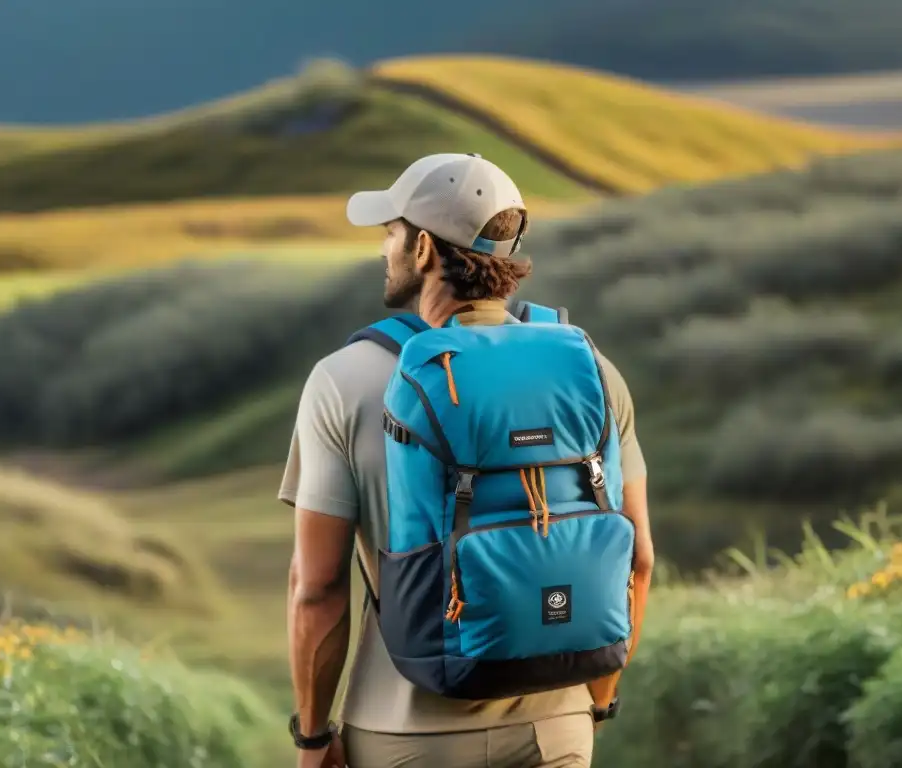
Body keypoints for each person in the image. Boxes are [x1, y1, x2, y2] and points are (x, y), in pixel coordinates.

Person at [280, 153, 655, 768]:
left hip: (404, 731)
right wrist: (597, 702)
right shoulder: (590, 371)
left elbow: (317, 589)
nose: (385, 247)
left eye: (392, 231)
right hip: (555, 725)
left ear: (424, 248)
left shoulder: (344, 381)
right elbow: (637, 559)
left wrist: (314, 739)